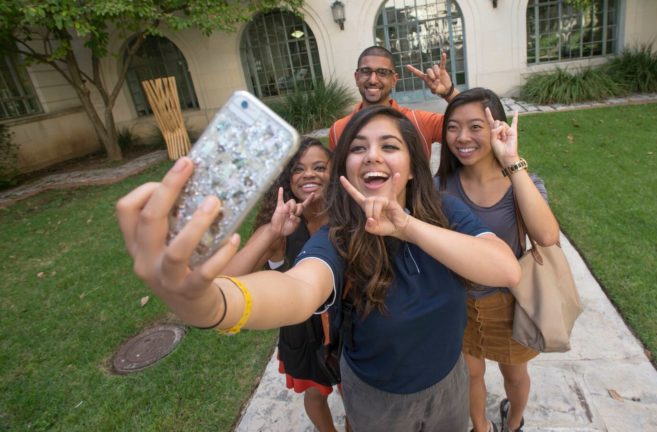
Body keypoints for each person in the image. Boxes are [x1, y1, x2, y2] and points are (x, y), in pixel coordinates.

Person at [116, 105, 522, 432]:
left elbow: (505, 269)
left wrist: (408, 227)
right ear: (345, 168)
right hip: (377, 399)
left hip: (448, 384)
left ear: (414, 167)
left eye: (389, 146)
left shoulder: (445, 212)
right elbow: (297, 291)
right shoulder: (337, 237)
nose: (373, 156)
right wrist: (209, 304)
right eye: (358, 148)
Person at [435, 88, 560, 432]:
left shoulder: (522, 183)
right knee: (470, 375)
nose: (462, 138)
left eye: (476, 126)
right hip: (457, 304)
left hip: (507, 303)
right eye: (453, 128)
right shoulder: (439, 186)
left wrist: (512, 162)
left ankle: (514, 422)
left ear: (496, 127)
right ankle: (481, 427)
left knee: (514, 374)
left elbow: (548, 236)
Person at [221, 138, 338, 432]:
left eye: (320, 167)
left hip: (346, 328)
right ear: (288, 179)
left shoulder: (344, 218)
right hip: (304, 336)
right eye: (299, 169)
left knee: (351, 387)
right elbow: (224, 283)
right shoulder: (280, 229)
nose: (309, 174)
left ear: (335, 173)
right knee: (315, 394)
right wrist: (272, 231)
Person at [328, 45, 459, 157]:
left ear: (394, 80)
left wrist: (449, 92)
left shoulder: (419, 122)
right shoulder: (339, 130)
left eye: (382, 72)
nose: (373, 80)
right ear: (357, 77)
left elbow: (470, 127)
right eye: (366, 71)